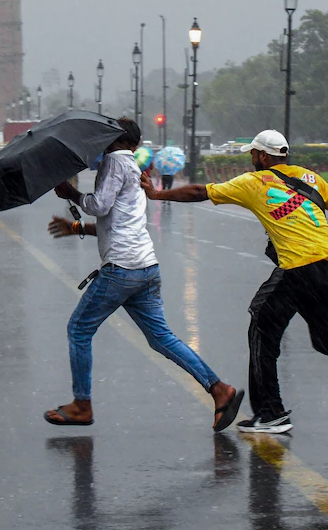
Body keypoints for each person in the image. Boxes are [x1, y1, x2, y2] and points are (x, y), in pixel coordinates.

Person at [140, 129, 328, 434]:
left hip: (297, 268)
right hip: (327, 266)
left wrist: (157, 194)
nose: (252, 159)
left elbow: (199, 192)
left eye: (254, 154)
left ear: (264, 156)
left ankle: (270, 413)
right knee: (327, 340)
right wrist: (321, 240)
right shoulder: (311, 179)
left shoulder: (254, 182)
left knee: (261, 326)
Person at [45, 118, 244, 431]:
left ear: (112, 139)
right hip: (146, 267)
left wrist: (72, 193)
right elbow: (119, 221)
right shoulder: (134, 166)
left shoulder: (112, 163)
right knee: (160, 337)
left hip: (122, 269)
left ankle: (82, 405)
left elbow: (99, 206)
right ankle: (219, 389)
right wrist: (76, 227)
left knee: (78, 329)